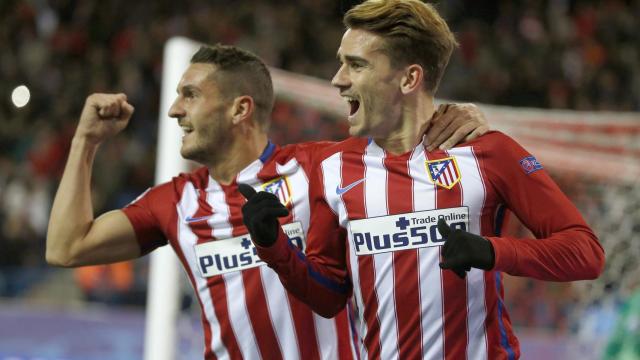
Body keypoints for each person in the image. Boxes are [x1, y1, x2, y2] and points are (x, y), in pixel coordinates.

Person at [46, 43, 490, 359]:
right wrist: (85, 141)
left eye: (191, 95)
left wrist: (460, 117)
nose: (174, 110)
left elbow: (412, 134)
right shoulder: (174, 202)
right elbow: (66, 247)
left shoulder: (321, 168)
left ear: (240, 109)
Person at [239, 1, 606, 359]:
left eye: (356, 64)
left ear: (410, 78)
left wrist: (491, 251)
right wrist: (274, 247)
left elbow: (586, 253)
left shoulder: (488, 153)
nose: (338, 79)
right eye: (341, 62)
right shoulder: (333, 167)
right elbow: (329, 294)